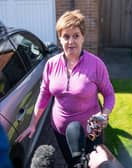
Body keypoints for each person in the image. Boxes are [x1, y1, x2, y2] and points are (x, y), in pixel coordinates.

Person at [16, 9, 115, 167]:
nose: (71, 41)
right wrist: (33, 124)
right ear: (60, 39)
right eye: (66, 36)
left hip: (91, 129)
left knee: (92, 164)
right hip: (60, 129)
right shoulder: (51, 64)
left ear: (83, 37)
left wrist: (104, 114)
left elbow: (109, 94)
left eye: (76, 35)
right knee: (73, 163)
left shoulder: (96, 65)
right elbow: (44, 95)